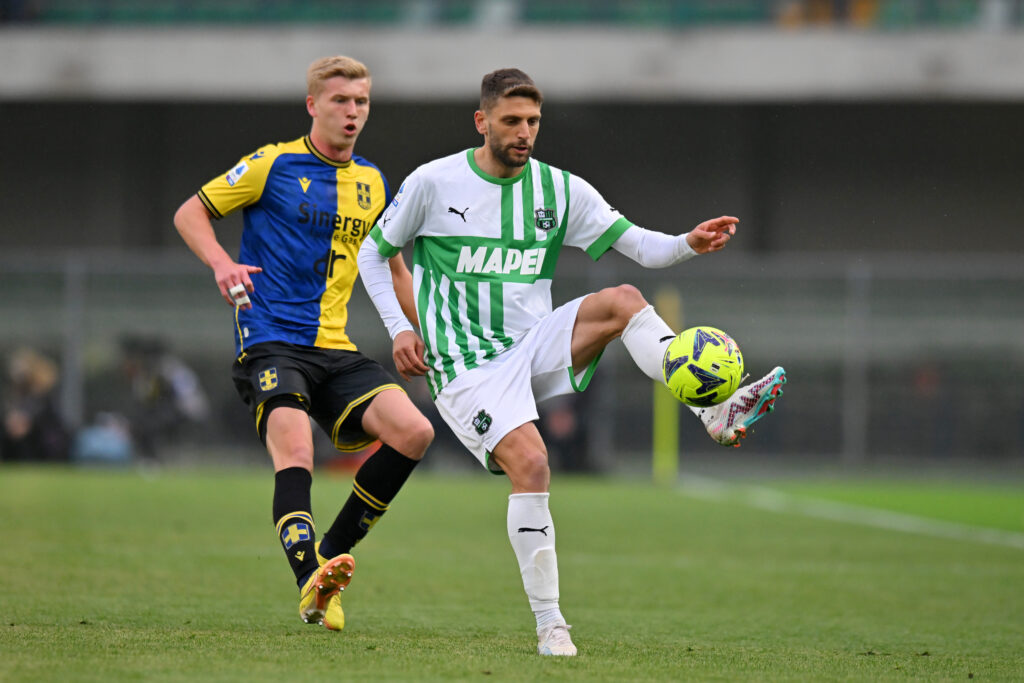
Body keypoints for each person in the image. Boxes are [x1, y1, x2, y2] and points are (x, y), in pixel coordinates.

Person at [357, 68, 786, 656]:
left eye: (533, 121)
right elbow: (372, 255)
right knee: (532, 465)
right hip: (466, 365)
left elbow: (640, 246)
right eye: (511, 121)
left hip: (532, 338)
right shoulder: (434, 183)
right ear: (482, 122)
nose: (524, 132)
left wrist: (689, 242)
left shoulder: (559, 190)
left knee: (625, 302)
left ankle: (711, 410)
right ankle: (550, 623)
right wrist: (401, 329)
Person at [173, 55, 434, 632]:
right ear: (313, 105)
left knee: (415, 431)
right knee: (296, 451)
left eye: (361, 102)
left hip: (334, 347)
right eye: (341, 101)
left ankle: (328, 557)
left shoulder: (371, 181)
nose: (353, 112)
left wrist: (423, 331)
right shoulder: (273, 163)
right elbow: (191, 211)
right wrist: (221, 263)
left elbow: (392, 268)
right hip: (270, 339)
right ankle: (309, 583)